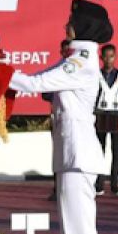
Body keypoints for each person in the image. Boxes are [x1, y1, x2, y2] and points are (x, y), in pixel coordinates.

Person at [9, 0, 113, 234]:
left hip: (77, 157)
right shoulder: (78, 61)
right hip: (73, 157)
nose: (65, 25)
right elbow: (39, 82)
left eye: (71, 20)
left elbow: (34, 83)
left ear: (82, 28)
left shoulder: (80, 62)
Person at [94, 43, 118, 196]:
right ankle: (99, 184)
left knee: (116, 151)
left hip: (117, 115)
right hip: (100, 114)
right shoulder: (95, 74)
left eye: (111, 56)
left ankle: (115, 184)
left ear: (115, 57)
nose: (108, 59)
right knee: (99, 151)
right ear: (101, 57)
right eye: (106, 56)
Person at [45, 38, 73, 202]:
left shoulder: (79, 69)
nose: (67, 53)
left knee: (73, 154)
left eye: (69, 51)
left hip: (75, 120)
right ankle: (57, 188)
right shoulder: (55, 70)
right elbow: (45, 93)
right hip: (58, 118)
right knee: (58, 155)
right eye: (64, 51)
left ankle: (71, 190)